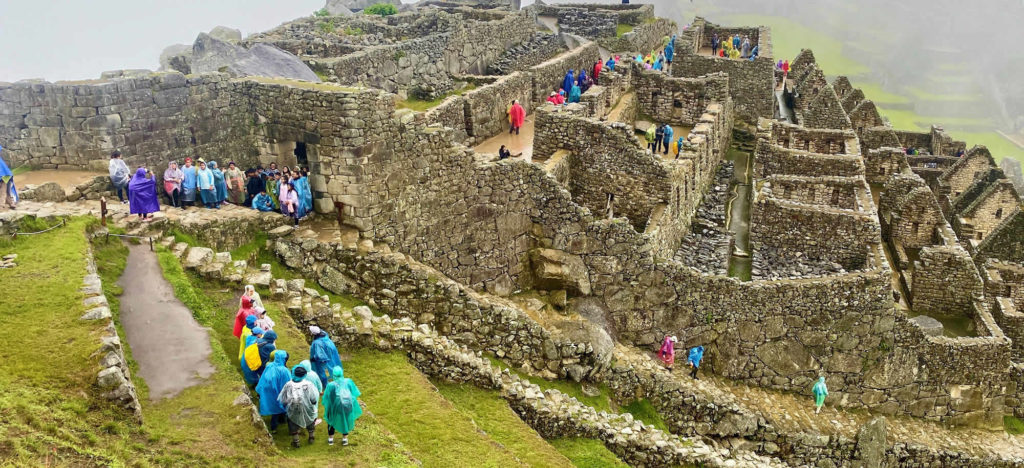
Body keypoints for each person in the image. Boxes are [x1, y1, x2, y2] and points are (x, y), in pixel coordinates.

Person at [279, 365, 320, 447]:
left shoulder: (288, 384)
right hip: (307, 407)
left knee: (293, 422)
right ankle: (311, 437)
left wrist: (286, 404)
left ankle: (296, 441)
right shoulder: (308, 384)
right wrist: (313, 402)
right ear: (304, 375)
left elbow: (283, 398)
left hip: (293, 408)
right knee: (310, 420)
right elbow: (313, 398)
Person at [322, 365, 361, 446]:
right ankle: (345, 439)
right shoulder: (348, 381)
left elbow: (326, 398)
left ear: (334, 375)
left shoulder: (331, 385)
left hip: (335, 407)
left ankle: (331, 439)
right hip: (347, 406)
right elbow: (355, 393)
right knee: (345, 420)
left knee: (331, 420)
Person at [256, 350, 290, 433]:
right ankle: (278, 424)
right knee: (279, 407)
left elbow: (263, 377)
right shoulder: (284, 370)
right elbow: (288, 383)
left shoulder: (269, 366)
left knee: (274, 407)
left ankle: (274, 427)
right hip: (278, 391)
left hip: (268, 391)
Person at [0, 145, 18, 210]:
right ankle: (10, 203)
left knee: (4, 191)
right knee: (5, 191)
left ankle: (2, 205)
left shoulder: (1, 161)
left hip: (4, 177)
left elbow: (5, 170)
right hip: (4, 176)